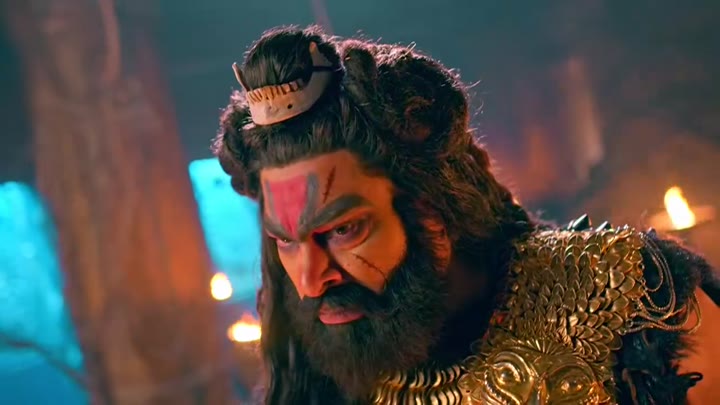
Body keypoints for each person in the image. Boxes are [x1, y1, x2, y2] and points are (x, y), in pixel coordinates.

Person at [213, 25, 718, 404]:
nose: (308, 280)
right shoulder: (323, 381)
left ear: (433, 208)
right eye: (286, 241)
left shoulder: (627, 295)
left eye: (343, 229)